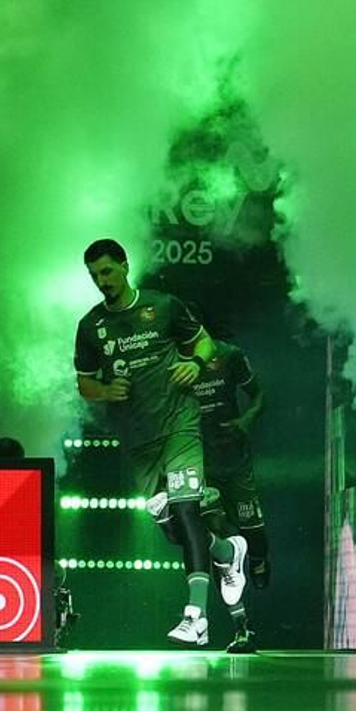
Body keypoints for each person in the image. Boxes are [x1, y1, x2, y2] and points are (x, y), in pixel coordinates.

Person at [74, 239, 248, 647]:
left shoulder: (163, 305)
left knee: (187, 510)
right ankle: (225, 553)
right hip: (139, 440)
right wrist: (103, 391)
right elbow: (84, 383)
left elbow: (203, 343)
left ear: (125, 266)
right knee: (173, 530)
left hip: (180, 425)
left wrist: (195, 363)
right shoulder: (90, 326)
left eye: (108, 272)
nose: (103, 282)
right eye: (95, 276)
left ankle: (196, 617)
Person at [190, 335, 270, 590]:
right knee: (212, 523)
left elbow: (258, 395)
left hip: (234, 459)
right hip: (200, 462)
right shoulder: (171, 361)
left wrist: (246, 420)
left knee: (251, 527)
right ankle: (226, 571)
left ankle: (258, 561)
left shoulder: (228, 354)